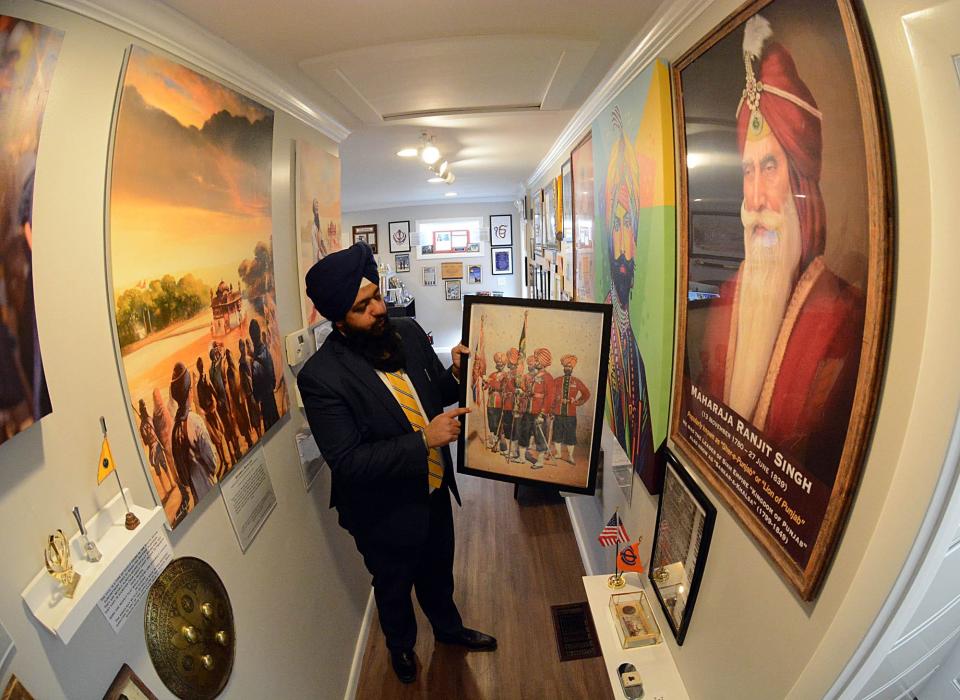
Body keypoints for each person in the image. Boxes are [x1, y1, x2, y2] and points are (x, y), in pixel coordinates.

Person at [297, 242, 496, 685]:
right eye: (362, 307)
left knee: (438, 568)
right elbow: (348, 462)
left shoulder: (405, 332)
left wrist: (458, 374)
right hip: (381, 511)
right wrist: (425, 439)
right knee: (394, 586)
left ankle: (448, 630)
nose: (378, 310)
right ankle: (401, 648)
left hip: (433, 489)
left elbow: (434, 391)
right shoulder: (321, 377)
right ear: (338, 320)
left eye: (377, 296)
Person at [694, 15, 864, 485]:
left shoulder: (845, 319)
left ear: (801, 183)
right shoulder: (729, 297)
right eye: (747, 171)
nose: (754, 201)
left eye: (769, 166)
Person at [602, 108, 657, 491]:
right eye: (616, 225)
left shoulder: (633, 329)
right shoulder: (608, 316)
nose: (624, 246)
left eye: (629, 225)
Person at [169, 362, 217, 519]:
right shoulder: (195, 421)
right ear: (189, 391)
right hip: (211, 490)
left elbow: (182, 478)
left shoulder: (174, 431)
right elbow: (212, 462)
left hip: (197, 497)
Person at [551, 354, 591, 464]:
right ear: (563, 368)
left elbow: (586, 394)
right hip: (558, 413)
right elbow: (551, 396)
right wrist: (552, 410)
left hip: (571, 414)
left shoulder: (576, 381)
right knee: (557, 434)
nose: (567, 368)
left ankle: (570, 456)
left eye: (570, 367)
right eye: (566, 367)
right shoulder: (557, 380)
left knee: (570, 435)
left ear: (572, 368)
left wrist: (576, 402)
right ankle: (558, 454)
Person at [249, 318, 280, 432]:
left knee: (270, 428)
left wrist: (257, 397)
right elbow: (273, 376)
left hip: (265, 402)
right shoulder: (266, 350)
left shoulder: (255, 363)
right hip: (271, 396)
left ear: (252, 337)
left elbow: (256, 391)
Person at [482, 352, 506, 451]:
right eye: (498, 362)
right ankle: (493, 441)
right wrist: (483, 383)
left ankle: (498, 444)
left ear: (504, 364)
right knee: (491, 422)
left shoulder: (506, 375)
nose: (499, 364)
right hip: (491, 402)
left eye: (501, 363)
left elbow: (501, 387)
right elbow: (486, 386)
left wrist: (489, 381)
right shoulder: (492, 374)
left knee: (498, 423)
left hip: (500, 402)